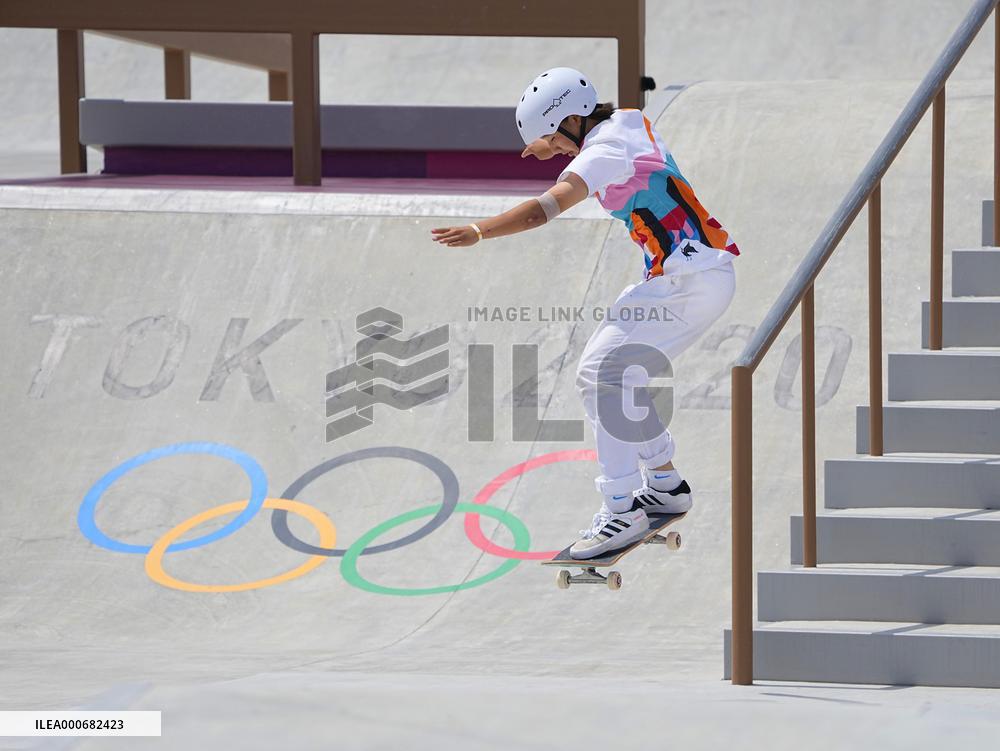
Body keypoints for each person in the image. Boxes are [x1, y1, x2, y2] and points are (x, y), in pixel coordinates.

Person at [431, 67, 738, 559]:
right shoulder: (627, 122)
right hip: (692, 275)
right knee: (619, 378)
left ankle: (621, 509)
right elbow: (582, 145)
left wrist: (479, 231)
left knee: (600, 375)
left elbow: (542, 210)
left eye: (555, 140)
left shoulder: (604, 150)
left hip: (688, 282)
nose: (556, 151)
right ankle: (664, 484)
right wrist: (545, 138)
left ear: (573, 120)